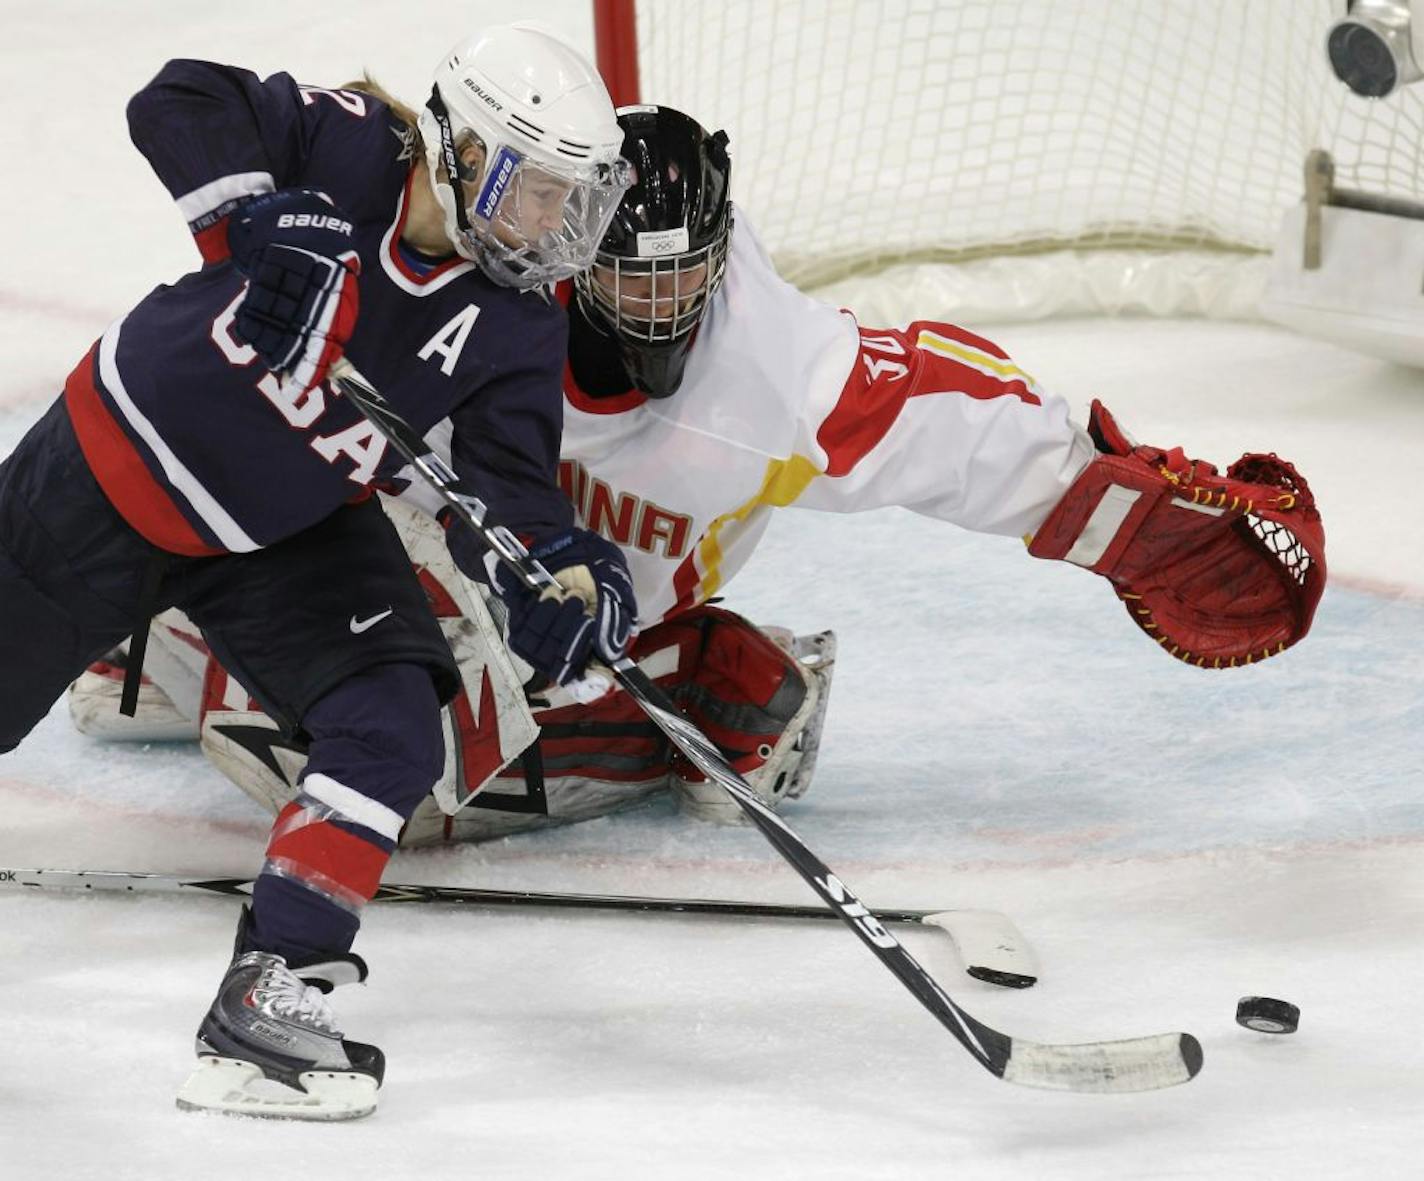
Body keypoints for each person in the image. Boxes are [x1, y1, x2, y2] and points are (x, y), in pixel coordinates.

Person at [72, 106, 1326, 848]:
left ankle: (718, 689)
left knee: (403, 763)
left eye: (686, 273)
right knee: (133, 673)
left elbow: (981, 423)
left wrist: (1144, 518)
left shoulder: (784, 372)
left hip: (585, 616)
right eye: (627, 272)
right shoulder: (491, 267)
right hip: (415, 529)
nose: (661, 304)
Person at [0, 24, 642, 1121]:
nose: (557, 227)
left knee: (392, 719)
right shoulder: (351, 150)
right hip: (121, 467)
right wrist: (262, 213)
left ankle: (265, 999)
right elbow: (177, 96)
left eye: (570, 200)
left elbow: (512, 496)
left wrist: (565, 575)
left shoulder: (518, 328)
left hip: (289, 528)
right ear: (471, 150)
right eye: (541, 192)